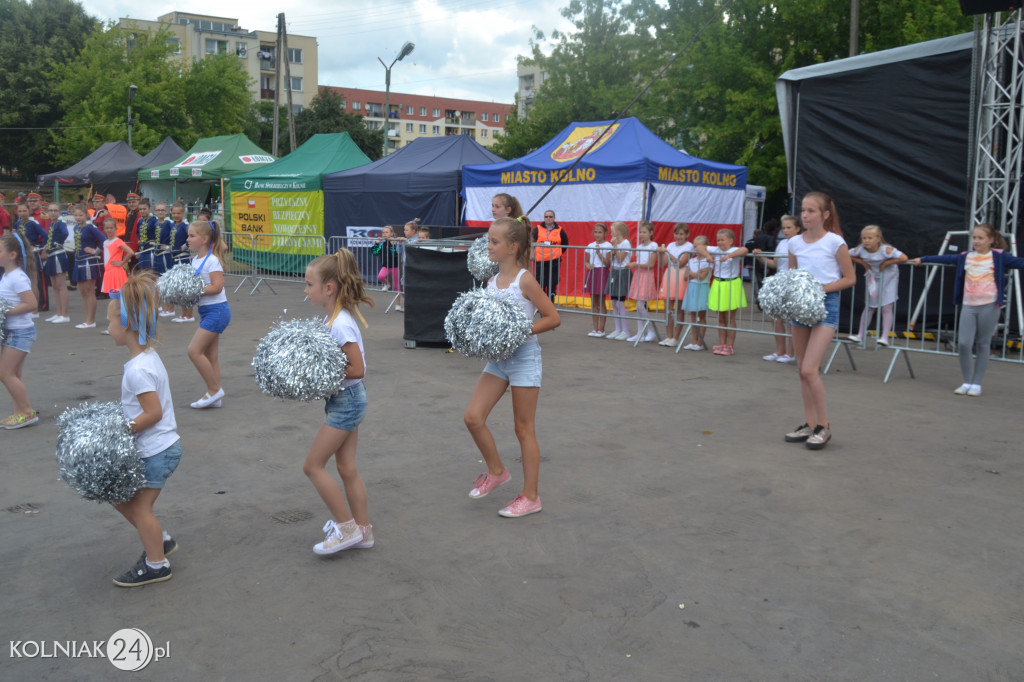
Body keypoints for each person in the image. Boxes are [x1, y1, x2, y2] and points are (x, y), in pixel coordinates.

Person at [464, 216, 560, 518]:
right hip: (499, 360)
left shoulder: (525, 280)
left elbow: (552, 318)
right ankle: (496, 471)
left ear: (512, 247)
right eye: (489, 240)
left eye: (494, 242)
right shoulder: (491, 282)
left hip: (524, 359)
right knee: (473, 417)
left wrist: (520, 331)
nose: (488, 246)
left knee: (523, 428)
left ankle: (531, 497)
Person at [106, 271, 182, 587]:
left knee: (139, 508)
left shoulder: (138, 371)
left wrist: (122, 429)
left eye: (109, 321)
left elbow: (153, 412)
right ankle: (159, 541)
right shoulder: (146, 357)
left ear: (125, 325)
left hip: (157, 450)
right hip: (157, 448)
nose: (106, 328)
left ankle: (156, 564)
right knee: (120, 498)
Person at [302, 248, 375, 553]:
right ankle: (363, 531)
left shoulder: (341, 323)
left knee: (312, 466)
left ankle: (345, 528)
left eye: (309, 285)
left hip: (347, 401)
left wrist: (320, 371)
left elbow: (357, 369)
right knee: (346, 468)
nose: (306, 290)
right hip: (344, 399)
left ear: (328, 288)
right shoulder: (331, 320)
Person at [911, 223, 1024, 396]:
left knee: (983, 343)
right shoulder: (966, 256)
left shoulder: (1000, 256)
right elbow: (945, 258)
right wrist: (923, 259)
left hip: (989, 305)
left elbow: (1020, 263)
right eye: (974, 238)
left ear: (991, 240)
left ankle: (976, 383)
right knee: (964, 343)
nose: (976, 241)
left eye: (980, 238)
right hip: (969, 306)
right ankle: (966, 381)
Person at [785, 192, 856, 449]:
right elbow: (793, 276)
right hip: (800, 306)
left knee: (809, 369)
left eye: (811, 211)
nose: (805, 215)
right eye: (803, 210)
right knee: (801, 370)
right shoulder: (795, 243)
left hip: (826, 305)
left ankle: (823, 426)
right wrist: (788, 294)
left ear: (825, 214)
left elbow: (850, 278)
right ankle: (809, 423)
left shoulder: (835, 242)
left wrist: (820, 289)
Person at [185, 220, 231, 409]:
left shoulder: (212, 260)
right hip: (207, 311)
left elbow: (217, 287)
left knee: (194, 351)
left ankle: (214, 390)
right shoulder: (195, 260)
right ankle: (215, 396)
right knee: (211, 356)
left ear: (204, 239)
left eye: (192, 236)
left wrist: (194, 289)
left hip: (217, 311)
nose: (188, 239)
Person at [0, 232, 39, 428]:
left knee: (5, 374)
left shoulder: (17, 277)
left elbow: (32, 304)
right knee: (13, 374)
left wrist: (6, 312)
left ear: (12, 255)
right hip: (14, 332)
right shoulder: (7, 276)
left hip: (20, 332)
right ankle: (19, 413)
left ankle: (27, 412)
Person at [849, 224, 907, 347]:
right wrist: (863, 263)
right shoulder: (860, 250)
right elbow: (847, 254)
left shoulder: (886, 250)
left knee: (886, 307)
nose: (866, 241)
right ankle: (860, 335)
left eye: (870, 238)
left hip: (889, 277)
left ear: (878, 239)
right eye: (864, 238)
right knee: (870, 306)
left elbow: (903, 258)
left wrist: (887, 263)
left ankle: (884, 337)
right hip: (873, 277)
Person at [755, 215, 802, 363]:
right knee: (775, 318)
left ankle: (791, 353)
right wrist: (761, 257)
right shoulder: (781, 243)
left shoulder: (801, 243)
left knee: (792, 320)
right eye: (784, 228)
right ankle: (780, 351)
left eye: (789, 228)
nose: (786, 230)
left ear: (797, 229)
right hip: (780, 282)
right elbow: (775, 263)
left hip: (794, 283)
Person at [697, 229, 749, 356]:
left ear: (731, 241)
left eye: (723, 240)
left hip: (731, 284)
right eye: (718, 240)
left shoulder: (734, 250)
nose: (720, 242)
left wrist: (728, 256)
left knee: (730, 317)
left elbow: (745, 250)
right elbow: (700, 247)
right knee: (720, 317)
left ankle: (730, 346)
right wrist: (708, 256)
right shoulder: (715, 250)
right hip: (718, 284)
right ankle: (722, 344)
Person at [657, 222, 694, 346]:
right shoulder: (671, 245)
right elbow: (663, 263)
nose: (678, 236)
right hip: (670, 274)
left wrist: (667, 252)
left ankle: (676, 338)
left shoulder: (689, 246)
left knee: (678, 309)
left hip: (681, 275)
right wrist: (662, 254)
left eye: (681, 234)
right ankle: (668, 336)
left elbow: (681, 263)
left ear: (687, 234)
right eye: (676, 234)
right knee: (668, 307)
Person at [70, 204, 105, 329]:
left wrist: (95, 251)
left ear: (86, 215)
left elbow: (104, 240)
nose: (78, 218)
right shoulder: (75, 228)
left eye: (80, 215)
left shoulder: (91, 227)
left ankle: (91, 320)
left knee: (90, 292)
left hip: (89, 261)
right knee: (83, 292)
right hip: (78, 261)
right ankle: (87, 319)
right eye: (76, 215)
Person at [627, 221, 659, 343]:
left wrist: (636, 264)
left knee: (641, 305)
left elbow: (651, 264)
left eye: (644, 232)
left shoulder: (653, 246)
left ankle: (650, 329)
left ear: (651, 233)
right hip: (638, 275)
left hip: (646, 275)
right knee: (638, 306)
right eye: (640, 232)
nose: (642, 234)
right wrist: (632, 265)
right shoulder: (639, 247)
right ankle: (640, 333)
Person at [13, 202, 48, 314]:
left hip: (32, 254)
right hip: (21, 255)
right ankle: (27, 305)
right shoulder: (17, 223)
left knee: (34, 281)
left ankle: (37, 307)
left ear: (29, 211)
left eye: (24, 211)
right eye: (20, 211)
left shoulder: (33, 223)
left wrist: (40, 248)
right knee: (24, 280)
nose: (22, 213)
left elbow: (46, 236)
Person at [40, 203, 71, 323]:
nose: (53, 212)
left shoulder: (60, 223)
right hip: (51, 256)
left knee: (61, 285)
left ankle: (65, 314)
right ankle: (59, 313)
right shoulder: (52, 224)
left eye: (55, 210)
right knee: (55, 286)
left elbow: (64, 233)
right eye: (51, 210)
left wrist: (57, 244)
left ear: (59, 212)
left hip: (58, 255)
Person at [681, 235, 711, 350]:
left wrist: (693, 274)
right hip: (692, 288)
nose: (696, 249)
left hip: (702, 288)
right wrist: (696, 274)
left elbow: (702, 277)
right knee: (693, 316)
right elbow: (685, 276)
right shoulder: (692, 260)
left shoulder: (707, 261)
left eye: (699, 246)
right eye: (695, 246)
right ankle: (694, 341)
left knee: (701, 316)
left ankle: (700, 342)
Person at [532, 209, 569, 302]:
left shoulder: (560, 230)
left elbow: (565, 244)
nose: (548, 218)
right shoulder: (537, 229)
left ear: (554, 218)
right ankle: (541, 304)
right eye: (546, 216)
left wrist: (557, 253)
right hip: (540, 261)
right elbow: (531, 242)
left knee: (552, 283)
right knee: (540, 283)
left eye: (550, 216)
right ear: (544, 218)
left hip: (554, 261)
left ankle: (550, 303)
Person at [583, 222, 612, 337]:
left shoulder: (608, 246)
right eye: (596, 232)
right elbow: (586, 261)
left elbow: (608, 263)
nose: (597, 234)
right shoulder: (590, 245)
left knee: (601, 301)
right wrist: (588, 265)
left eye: (600, 232)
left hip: (602, 272)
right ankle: (595, 328)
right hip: (593, 272)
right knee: (594, 302)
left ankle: (602, 329)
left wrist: (600, 254)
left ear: (605, 233)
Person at [605, 221, 633, 340]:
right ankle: (618, 329)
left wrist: (615, 247)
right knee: (614, 302)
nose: (611, 233)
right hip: (615, 271)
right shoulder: (615, 244)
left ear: (618, 232)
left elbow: (621, 259)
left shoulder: (625, 243)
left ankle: (625, 331)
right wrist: (612, 251)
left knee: (620, 301)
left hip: (623, 271)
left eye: (612, 230)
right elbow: (613, 259)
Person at [169, 203, 193, 322]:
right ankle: (184, 314)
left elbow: (192, 237)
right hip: (175, 259)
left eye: (178, 213)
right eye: (174, 213)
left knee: (185, 287)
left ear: (183, 214)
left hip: (183, 259)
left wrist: (184, 247)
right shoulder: (173, 225)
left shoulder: (185, 226)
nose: (176, 215)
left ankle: (189, 315)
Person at [101, 217, 134, 297]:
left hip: (116, 273)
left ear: (116, 228)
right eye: (107, 228)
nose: (109, 230)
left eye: (111, 228)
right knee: (113, 297)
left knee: (119, 297)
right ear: (104, 229)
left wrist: (121, 263)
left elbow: (130, 252)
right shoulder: (105, 242)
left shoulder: (117, 241)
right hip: (108, 272)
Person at [372, 225, 401, 292]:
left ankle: (398, 302)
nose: (384, 234)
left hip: (395, 267)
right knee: (380, 276)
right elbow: (375, 252)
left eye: (386, 232)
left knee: (396, 286)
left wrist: (393, 244)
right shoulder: (382, 243)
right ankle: (387, 284)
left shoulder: (396, 242)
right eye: (383, 232)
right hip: (385, 266)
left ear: (392, 233)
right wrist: (376, 244)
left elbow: (395, 253)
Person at [154, 202, 174, 275]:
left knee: (166, 274)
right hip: (156, 254)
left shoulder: (170, 223)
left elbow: (175, 238)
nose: (160, 212)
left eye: (162, 210)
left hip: (166, 254)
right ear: (155, 212)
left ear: (166, 211)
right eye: (158, 210)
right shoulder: (155, 223)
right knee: (156, 275)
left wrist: (169, 247)